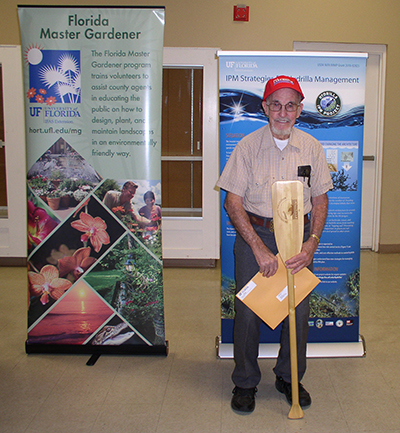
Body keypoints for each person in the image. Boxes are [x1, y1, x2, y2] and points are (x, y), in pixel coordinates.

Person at [216, 76, 333, 414]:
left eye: (291, 105)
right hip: (258, 236)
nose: (283, 112)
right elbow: (233, 203)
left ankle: (289, 377)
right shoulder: (248, 147)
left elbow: (321, 201)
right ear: (265, 107)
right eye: (276, 105)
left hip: (299, 237)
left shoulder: (312, 147)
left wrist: (311, 243)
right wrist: (257, 247)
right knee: (249, 312)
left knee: (298, 311)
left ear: (299, 110)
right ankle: (245, 381)